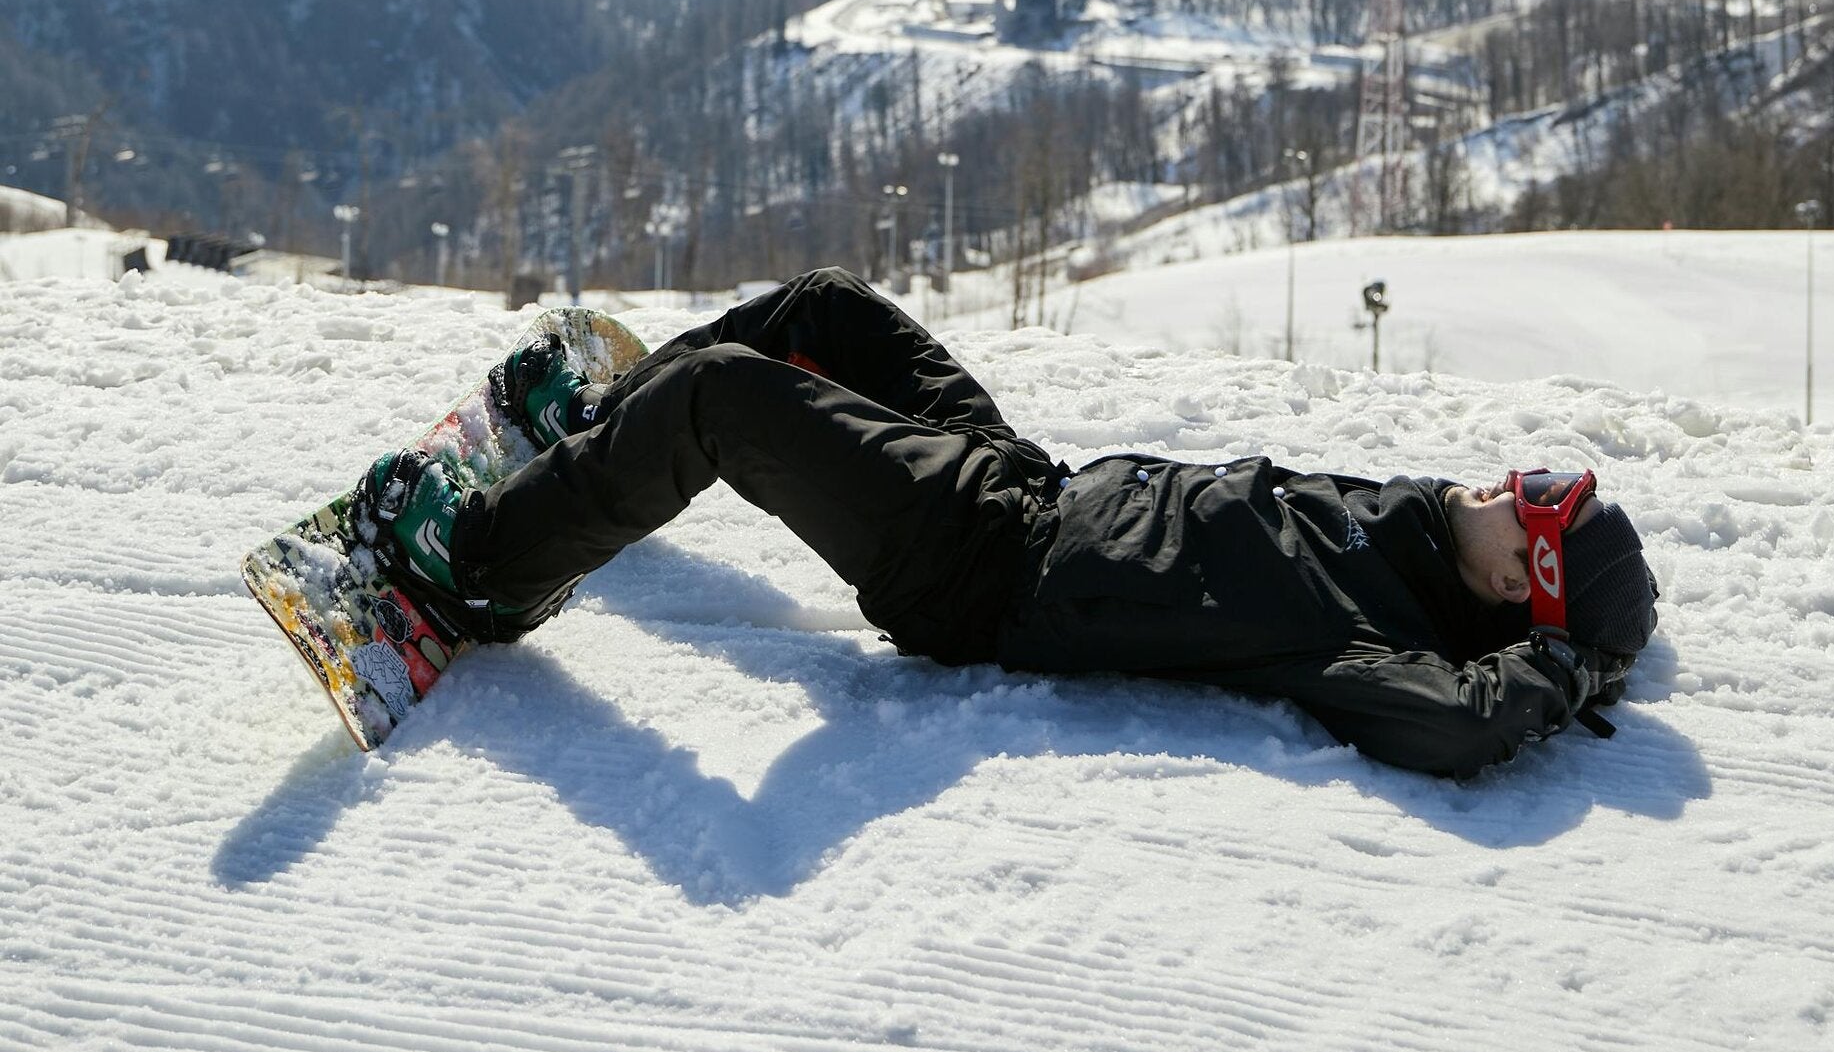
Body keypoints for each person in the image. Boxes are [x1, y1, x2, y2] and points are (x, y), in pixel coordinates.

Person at [352, 268, 1658, 780]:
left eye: (1532, 513)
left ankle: (482, 571)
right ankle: (600, 433)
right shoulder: (1422, 532)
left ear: (1518, 591)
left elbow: (1456, 724)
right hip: (1026, 483)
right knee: (828, 311)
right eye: (1540, 478)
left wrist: (1569, 667)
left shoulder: (1375, 637)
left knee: (728, 400)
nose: (1509, 484)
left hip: (985, 570)